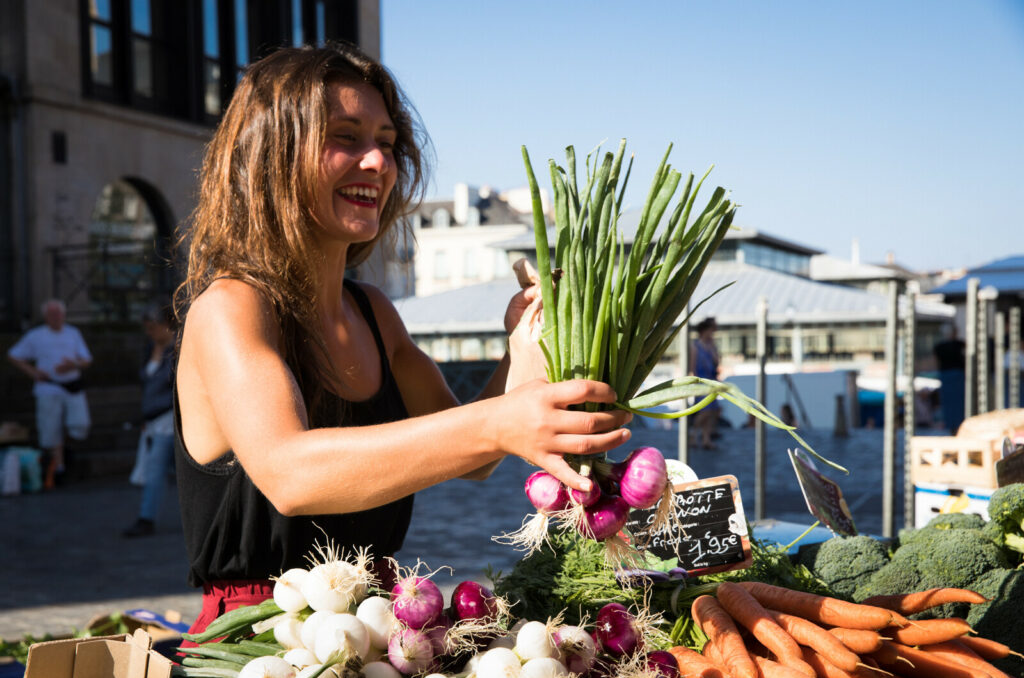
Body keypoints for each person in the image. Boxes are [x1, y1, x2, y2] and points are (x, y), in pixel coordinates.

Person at [173, 41, 631, 640]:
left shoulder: (373, 311)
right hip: (258, 649)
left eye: (387, 143)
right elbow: (290, 475)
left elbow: (476, 455)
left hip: (385, 634)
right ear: (271, 157)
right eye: (346, 136)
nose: (377, 163)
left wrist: (525, 346)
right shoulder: (231, 308)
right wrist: (499, 424)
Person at [7, 299, 92, 489]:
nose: (55, 318)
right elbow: (14, 355)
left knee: (80, 424)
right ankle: (58, 467)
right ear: (46, 317)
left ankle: (64, 451)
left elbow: (86, 359)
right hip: (48, 386)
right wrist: (33, 372)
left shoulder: (73, 333)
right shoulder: (36, 335)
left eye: (58, 314)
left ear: (63, 315)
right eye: (51, 314)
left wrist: (73, 364)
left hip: (72, 385)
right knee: (50, 430)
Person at [123, 300, 178, 538]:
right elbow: (147, 384)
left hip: (170, 420)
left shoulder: (178, 350)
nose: (150, 332)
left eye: (153, 327)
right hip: (155, 419)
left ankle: (146, 518)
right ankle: (146, 517)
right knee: (157, 469)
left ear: (166, 325)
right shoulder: (150, 348)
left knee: (157, 467)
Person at [689, 317, 721, 449]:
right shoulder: (695, 346)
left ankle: (705, 438)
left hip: (711, 380)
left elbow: (716, 361)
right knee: (705, 411)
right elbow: (692, 365)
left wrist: (713, 347)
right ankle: (693, 434)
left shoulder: (710, 346)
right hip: (702, 381)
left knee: (712, 411)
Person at [933, 322, 966, 434]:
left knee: (951, 405)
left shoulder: (939, 347)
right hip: (956, 377)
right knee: (958, 405)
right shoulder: (960, 345)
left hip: (947, 377)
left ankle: (954, 427)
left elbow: (936, 363)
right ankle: (958, 427)